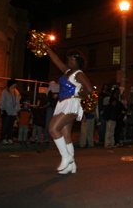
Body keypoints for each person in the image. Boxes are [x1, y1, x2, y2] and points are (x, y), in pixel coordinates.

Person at [43, 43, 93, 174]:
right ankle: (72, 166)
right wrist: (47, 48)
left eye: (72, 59)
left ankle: (66, 157)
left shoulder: (79, 74)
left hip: (71, 104)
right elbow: (56, 60)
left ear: (78, 61)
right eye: (68, 59)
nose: (69, 61)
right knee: (66, 136)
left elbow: (89, 89)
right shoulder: (67, 71)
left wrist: (77, 94)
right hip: (62, 103)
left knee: (53, 128)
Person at [0, 78, 21, 145]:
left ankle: (9, 138)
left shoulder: (16, 92)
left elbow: (17, 102)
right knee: (5, 126)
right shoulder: (5, 92)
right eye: (14, 84)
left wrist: (18, 110)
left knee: (11, 127)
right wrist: (3, 109)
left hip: (13, 112)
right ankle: (3, 138)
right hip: (6, 112)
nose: (15, 85)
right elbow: (2, 101)